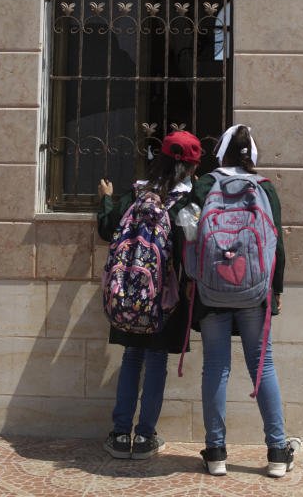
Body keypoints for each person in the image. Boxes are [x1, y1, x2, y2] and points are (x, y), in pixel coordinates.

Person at [187, 124, 296, 478]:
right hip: (254, 291)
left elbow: (186, 229)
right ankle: (278, 452)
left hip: (211, 289)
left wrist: (192, 276)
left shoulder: (205, 183)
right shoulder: (263, 187)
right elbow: (276, 243)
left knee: (215, 366)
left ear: (221, 151)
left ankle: (216, 452)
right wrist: (274, 289)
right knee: (262, 367)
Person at [97, 131, 202, 460]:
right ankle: (144, 438)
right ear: (190, 167)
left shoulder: (137, 193)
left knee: (131, 359)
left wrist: (106, 198)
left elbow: (106, 228)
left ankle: (118, 434)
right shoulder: (186, 200)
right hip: (165, 298)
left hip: (128, 297)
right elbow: (191, 245)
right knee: (156, 362)